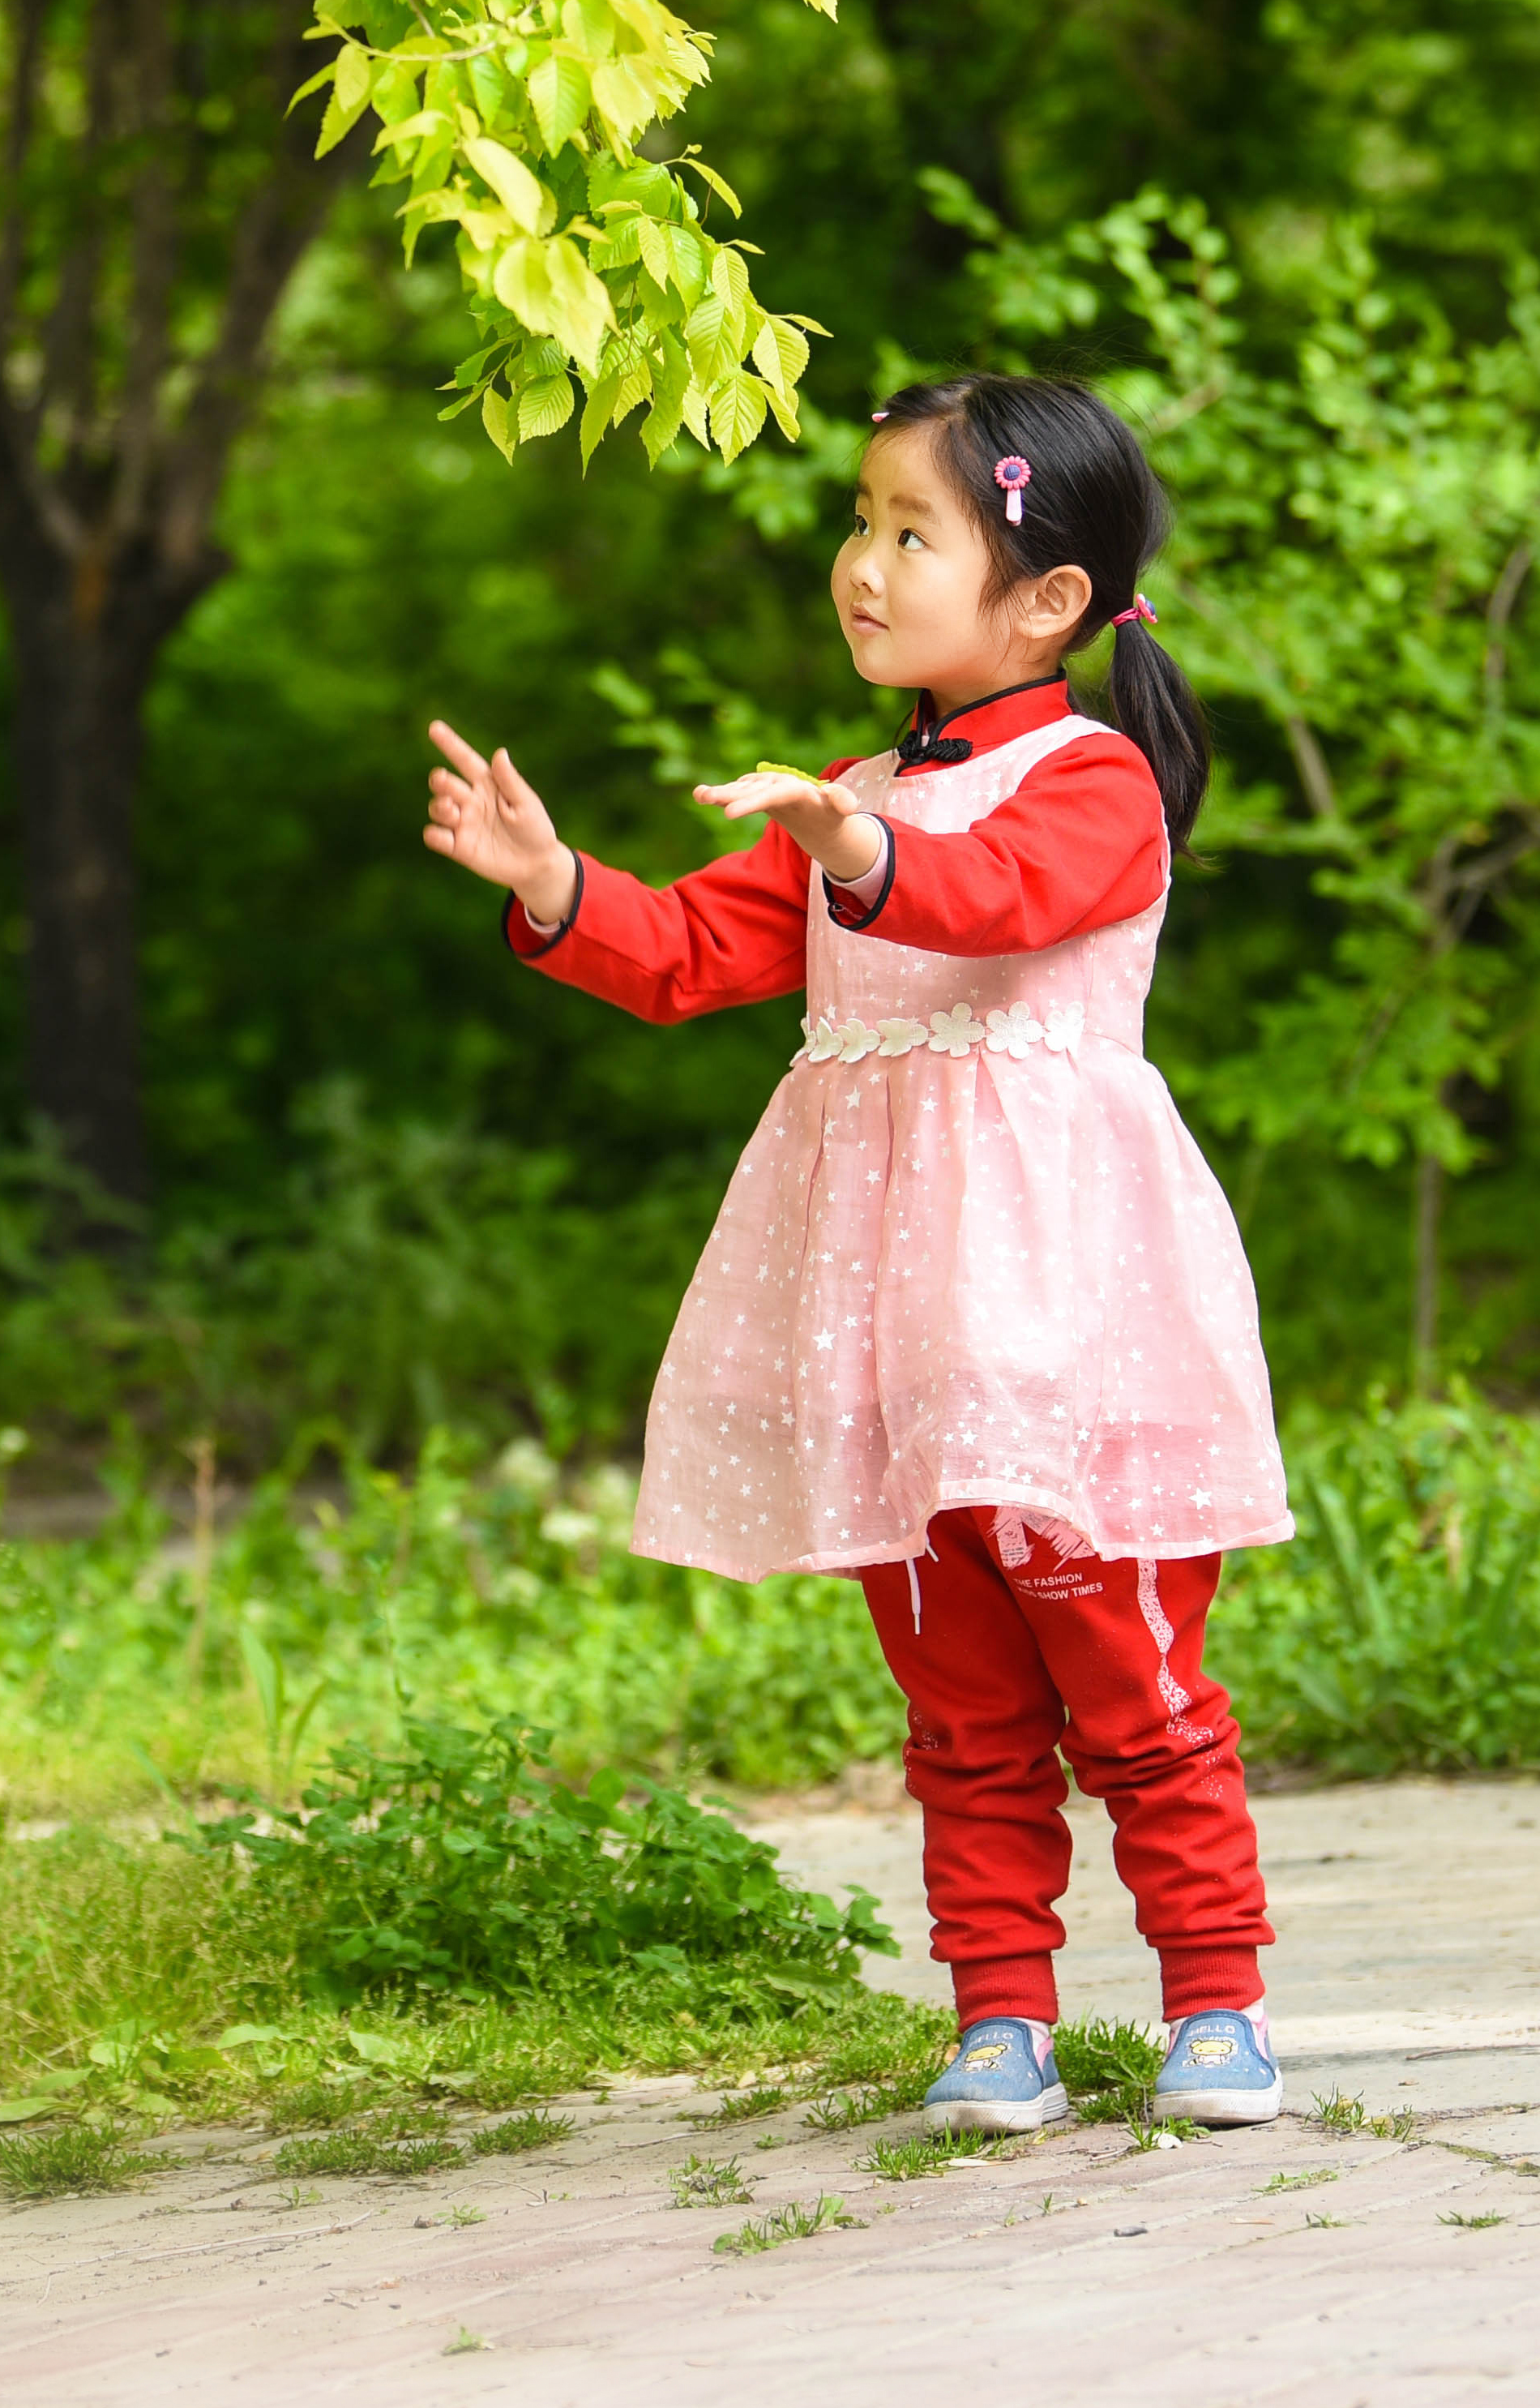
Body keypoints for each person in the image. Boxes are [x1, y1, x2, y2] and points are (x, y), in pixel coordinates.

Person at [423, 374, 1291, 2133]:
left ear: (1046, 598)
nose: (862, 564)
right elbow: (684, 952)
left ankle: (1215, 2000)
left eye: (912, 530)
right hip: (894, 1334)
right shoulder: (847, 795)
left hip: (1064, 1327)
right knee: (958, 1701)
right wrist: (550, 881)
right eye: (858, 521)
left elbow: (987, 899)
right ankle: (999, 2018)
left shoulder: (1092, 782)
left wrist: (853, 844)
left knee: (1132, 1689)